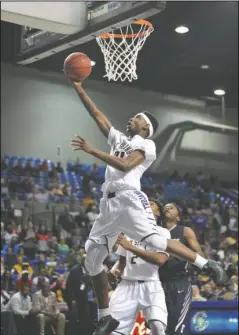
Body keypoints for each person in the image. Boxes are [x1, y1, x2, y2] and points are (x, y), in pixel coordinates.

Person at [68, 79, 227, 335]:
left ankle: (206, 264)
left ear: (146, 126)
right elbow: (97, 115)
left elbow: (125, 166)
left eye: (138, 117)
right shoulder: (120, 139)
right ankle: (105, 317)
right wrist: (78, 87)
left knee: (155, 239)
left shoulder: (147, 145)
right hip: (108, 205)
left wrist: (91, 150)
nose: (132, 118)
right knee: (92, 258)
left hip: (129, 198)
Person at [108, 199, 170, 335]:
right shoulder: (128, 232)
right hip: (126, 285)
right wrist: (114, 272)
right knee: (113, 329)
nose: (146, 203)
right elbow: (122, 261)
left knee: (157, 325)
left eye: (151, 204)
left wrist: (130, 246)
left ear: (158, 213)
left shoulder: (163, 233)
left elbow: (160, 259)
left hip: (151, 284)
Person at [159, 203, 206, 335]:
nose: (167, 208)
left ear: (178, 217)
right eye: (165, 207)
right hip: (157, 283)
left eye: (171, 207)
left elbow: (200, 255)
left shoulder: (185, 231)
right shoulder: (155, 231)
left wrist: (183, 253)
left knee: (177, 329)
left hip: (178, 282)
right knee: (159, 327)